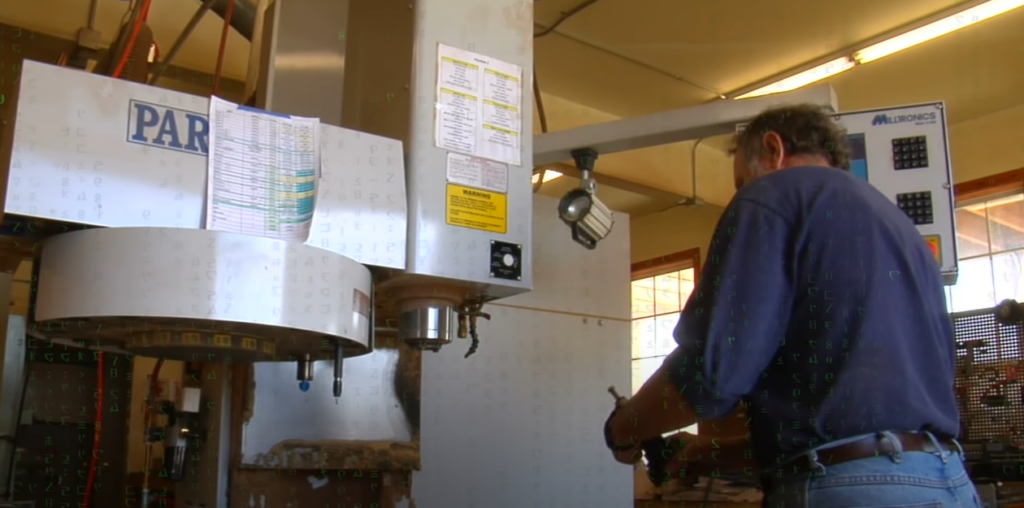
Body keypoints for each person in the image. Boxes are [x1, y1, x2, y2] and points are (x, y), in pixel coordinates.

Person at [603, 104, 981, 507]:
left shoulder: (772, 195)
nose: (741, 193)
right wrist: (703, 454)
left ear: (772, 149)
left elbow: (712, 375)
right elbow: (841, 429)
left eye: (740, 181)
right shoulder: (902, 228)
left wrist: (625, 428)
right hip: (947, 480)